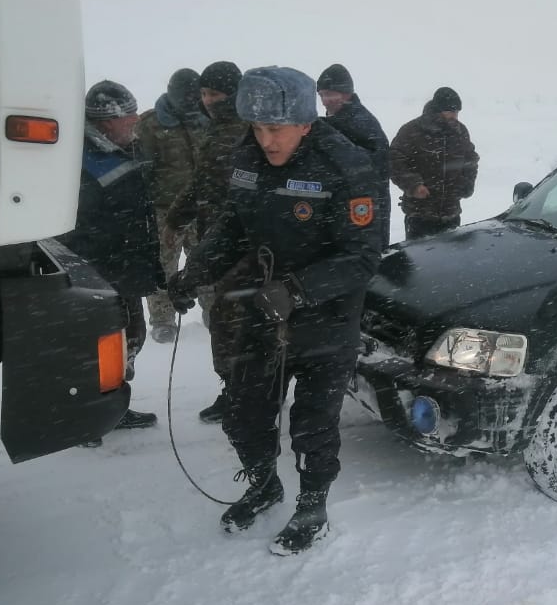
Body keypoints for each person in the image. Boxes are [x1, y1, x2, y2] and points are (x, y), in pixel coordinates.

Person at [166, 66, 382, 555]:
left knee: (312, 422)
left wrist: (299, 290)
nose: (266, 140)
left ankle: (313, 503)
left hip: (326, 315)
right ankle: (265, 485)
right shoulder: (249, 159)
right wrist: (195, 273)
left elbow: (363, 257)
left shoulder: (347, 167)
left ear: (306, 123)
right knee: (244, 411)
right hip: (264, 310)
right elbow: (233, 226)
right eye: (259, 128)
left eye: (276, 128)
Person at [60, 80, 163, 435]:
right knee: (101, 345)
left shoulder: (122, 148)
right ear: (105, 123)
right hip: (101, 274)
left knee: (128, 339)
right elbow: (79, 230)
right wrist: (107, 266)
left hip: (124, 268)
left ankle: (111, 407)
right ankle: (88, 417)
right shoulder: (82, 162)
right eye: (128, 120)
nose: (135, 125)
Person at [163, 60, 249, 423]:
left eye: (214, 94)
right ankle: (237, 390)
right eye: (203, 93)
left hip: (239, 242)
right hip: (219, 237)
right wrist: (177, 217)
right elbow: (201, 182)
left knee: (236, 320)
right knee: (226, 318)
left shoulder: (245, 131)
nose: (207, 100)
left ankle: (244, 394)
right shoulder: (219, 129)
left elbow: (235, 193)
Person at [136, 67, 209, 343]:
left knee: (206, 264)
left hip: (202, 209)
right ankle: (163, 321)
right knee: (164, 268)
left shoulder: (206, 120)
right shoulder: (151, 124)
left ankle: (214, 313)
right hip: (164, 211)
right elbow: (142, 170)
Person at [389, 86, 479, 240]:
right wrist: (414, 185)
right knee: (418, 261)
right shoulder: (412, 130)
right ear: (438, 110)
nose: (454, 116)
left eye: (457, 112)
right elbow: (394, 161)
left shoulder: (460, 131)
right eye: (451, 111)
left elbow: (470, 160)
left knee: (449, 262)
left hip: (451, 214)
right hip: (419, 215)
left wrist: (466, 183)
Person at [316, 64, 391, 242]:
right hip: (341, 207)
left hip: (364, 209)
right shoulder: (334, 121)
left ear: (346, 93)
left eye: (330, 94)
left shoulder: (362, 122)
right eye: (321, 95)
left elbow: (378, 165)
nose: (325, 100)